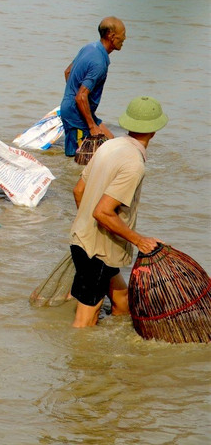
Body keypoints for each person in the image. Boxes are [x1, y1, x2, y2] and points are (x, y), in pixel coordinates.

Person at [68, 96, 167, 329]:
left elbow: (78, 190)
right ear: (153, 131)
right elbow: (102, 213)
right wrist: (140, 241)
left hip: (82, 241)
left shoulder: (108, 146)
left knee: (122, 303)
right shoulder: (134, 164)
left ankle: (114, 351)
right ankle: (78, 362)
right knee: (84, 322)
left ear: (129, 124)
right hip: (98, 252)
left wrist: (86, 228)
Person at [59, 17, 127, 158]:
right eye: (123, 34)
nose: (125, 38)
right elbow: (81, 96)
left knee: (112, 143)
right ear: (111, 36)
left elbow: (68, 72)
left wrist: (73, 99)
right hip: (76, 114)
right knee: (81, 160)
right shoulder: (99, 63)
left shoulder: (89, 47)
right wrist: (91, 126)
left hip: (79, 109)